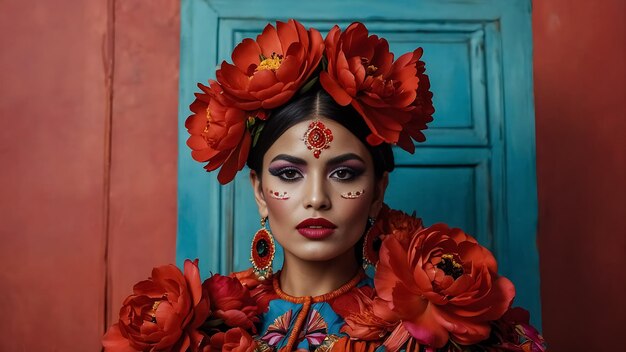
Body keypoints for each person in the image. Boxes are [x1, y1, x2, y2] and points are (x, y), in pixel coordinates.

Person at [103, 19, 545, 352]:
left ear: (378, 190)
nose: (316, 198)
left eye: (344, 173)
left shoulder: (424, 331)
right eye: (289, 174)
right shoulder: (205, 326)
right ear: (258, 189)